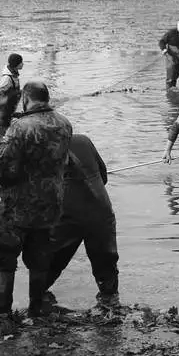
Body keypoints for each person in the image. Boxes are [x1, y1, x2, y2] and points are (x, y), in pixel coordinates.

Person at [0, 81, 73, 318]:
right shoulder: (65, 123)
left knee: (4, 257)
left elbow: (4, 169)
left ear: (26, 98)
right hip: (51, 205)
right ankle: (36, 307)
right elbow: (66, 164)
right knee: (40, 257)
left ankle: (3, 311)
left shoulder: (20, 127)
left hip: (18, 206)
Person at [41, 133, 120, 315]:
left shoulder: (38, 150)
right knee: (106, 268)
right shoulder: (83, 140)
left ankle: (41, 303)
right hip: (101, 212)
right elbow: (103, 175)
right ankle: (111, 309)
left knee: (48, 266)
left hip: (66, 218)